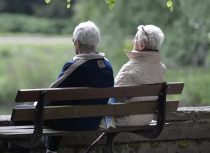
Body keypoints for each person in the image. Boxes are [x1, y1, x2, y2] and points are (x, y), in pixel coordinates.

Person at [9, 21, 114, 153]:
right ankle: (51, 150)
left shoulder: (76, 66)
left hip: (72, 122)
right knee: (59, 108)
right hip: (93, 121)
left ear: (77, 43)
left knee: (23, 111)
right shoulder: (108, 66)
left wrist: (37, 104)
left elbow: (50, 93)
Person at [114, 25, 167, 127]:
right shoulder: (162, 69)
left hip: (125, 120)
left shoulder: (129, 68)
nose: (133, 41)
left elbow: (114, 95)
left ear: (142, 45)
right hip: (146, 119)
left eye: (136, 38)